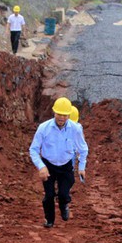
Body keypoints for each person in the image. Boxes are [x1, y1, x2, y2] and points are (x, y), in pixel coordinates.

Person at [29, 97, 89, 228]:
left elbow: (83, 149)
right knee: (49, 195)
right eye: (58, 114)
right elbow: (33, 149)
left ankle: (63, 205)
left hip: (66, 165)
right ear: (53, 112)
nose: (61, 117)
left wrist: (81, 167)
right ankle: (49, 219)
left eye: (64, 114)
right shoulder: (43, 128)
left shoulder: (75, 129)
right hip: (48, 165)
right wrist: (41, 166)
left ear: (68, 115)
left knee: (63, 193)